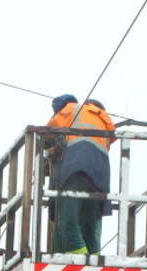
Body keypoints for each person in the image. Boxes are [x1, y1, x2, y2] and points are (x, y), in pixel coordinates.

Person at [47, 95, 116, 255]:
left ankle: (79, 257)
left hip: (76, 168)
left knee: (67, 218)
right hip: (100, 174)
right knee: (90, 221)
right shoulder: (101, 119)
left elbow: (47, 133)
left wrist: (49, 151)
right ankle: (93, 258)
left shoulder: (71, 109)